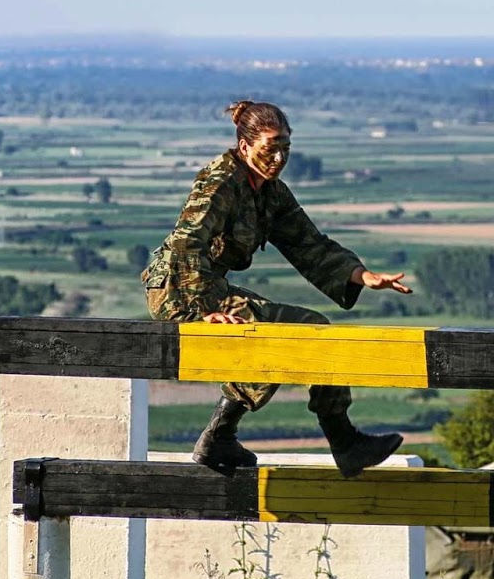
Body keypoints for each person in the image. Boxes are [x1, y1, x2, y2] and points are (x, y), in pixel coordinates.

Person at [141, 100, 412, 477]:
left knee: (314, 330)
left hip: (209, 286)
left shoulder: (271, 193)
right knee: (276, 335)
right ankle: (227, 436)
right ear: (245, 145)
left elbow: (309, 244)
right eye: (271, 148)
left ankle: (340, 441)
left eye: (286, 147)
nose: (279, 157)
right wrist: (201, 311)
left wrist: (360, 275)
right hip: (179, 289)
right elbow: (187, 245)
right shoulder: (220, 182)